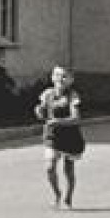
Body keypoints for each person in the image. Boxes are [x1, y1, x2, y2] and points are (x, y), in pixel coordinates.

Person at [35, 66, 85, 209]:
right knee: (49, 168)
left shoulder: (72, 95)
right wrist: (38, 111)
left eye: (65, 76)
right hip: (52, 136)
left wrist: (59, 122)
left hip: (70, 137)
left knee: (68, 170)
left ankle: (68, 197)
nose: (61, 79)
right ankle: (57, 193)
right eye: (58, 75)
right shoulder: (47, 94)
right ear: (52, 78)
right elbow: (42, 111)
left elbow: (76, 118)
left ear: (71, 80)